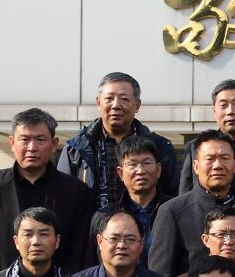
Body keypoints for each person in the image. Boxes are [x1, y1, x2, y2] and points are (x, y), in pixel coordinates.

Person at [0, 107, 93, 277]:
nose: (32, 147)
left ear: (54, 144)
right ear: (12, 142)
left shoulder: (77, 191)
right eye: (25, 139)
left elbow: (81, 249)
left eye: (40, 139)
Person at [57, 72, 177, 218]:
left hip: (146, 226)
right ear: (98, 102)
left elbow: (172, 196)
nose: (116, 105)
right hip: (91, 228)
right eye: (109, 98)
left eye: (124, 99)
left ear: (137, 105)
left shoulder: (159, 147)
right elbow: (63, 198)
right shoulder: (76, 148)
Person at [148, 131, 235, 277]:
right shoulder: (172, 211)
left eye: (224, 158)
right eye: (210, 159)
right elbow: (159, 275)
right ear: (196, 166)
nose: (218, 165)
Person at [107, 133, 171, 246]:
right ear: (120, 173)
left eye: (147, 163)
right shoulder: (107, 216)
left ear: (158, 170)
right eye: (132, 164)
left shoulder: (176, 211)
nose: (140, 171)